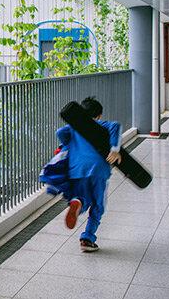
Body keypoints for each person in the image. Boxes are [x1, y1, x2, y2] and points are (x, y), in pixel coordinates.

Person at [55, 96, 121, 252]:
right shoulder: (99, 125)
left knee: (83, 198)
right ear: (98, 116)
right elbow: (115, 126)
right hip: (98, 170)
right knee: (98, 206)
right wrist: (114, 149)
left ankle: (77, 202)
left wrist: (68, 145)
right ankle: (87, 238)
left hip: (77, 169)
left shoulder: (73, 128)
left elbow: (60, 132)